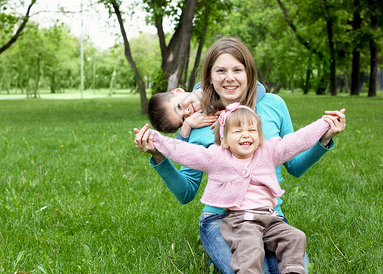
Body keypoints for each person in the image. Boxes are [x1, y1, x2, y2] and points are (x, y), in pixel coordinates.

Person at [134, 37, 346, 273]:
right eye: (220, 71)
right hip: (220, 219)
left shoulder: (274, 105)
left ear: (249, 72)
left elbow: (294, 165)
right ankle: (218, 249)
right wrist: (159, 155)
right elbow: (186, 192)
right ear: (209, 77)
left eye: (237, 69)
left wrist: (323, 139)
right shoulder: (199, 121)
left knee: (291, 268)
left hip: (270, 216)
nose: (229, 78)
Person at [142, 103, 334, 274]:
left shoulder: (269, 152)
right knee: (250, 246)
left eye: (252, 130)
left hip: (272, 219)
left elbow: (297, 140)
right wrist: (156, 139)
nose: (246, 134)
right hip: (241, 221)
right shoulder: (217, 156)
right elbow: (186, 153)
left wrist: (325, 124)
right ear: (224, 140)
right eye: (237, 131)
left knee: (295, 237)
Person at [147, 83, 218, 141]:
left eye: (179, 107)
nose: (187, 113)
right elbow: (180, 147)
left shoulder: (208, 81)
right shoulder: (200, 120)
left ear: (178, 91)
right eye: (183, 119)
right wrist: (187, 126)